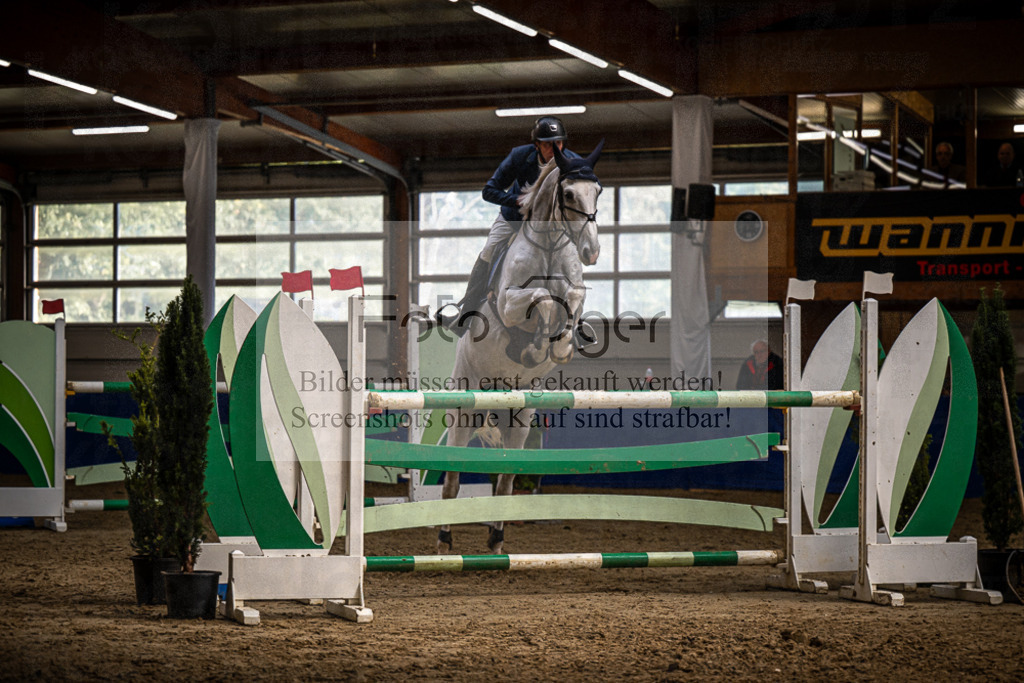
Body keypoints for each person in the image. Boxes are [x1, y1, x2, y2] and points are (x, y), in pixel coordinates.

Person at [439, 116, 581, 335]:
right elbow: (489, 191)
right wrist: (517, 200)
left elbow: (590, 187)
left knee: (570, 258)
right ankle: (465, 315)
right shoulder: (519, 156)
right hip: (514, 219)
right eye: (547, 145)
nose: (554, 150)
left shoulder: (573, 162)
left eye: (558, 143)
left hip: (550, 226)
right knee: (488, 252)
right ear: (537, 145)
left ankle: (577, 324)